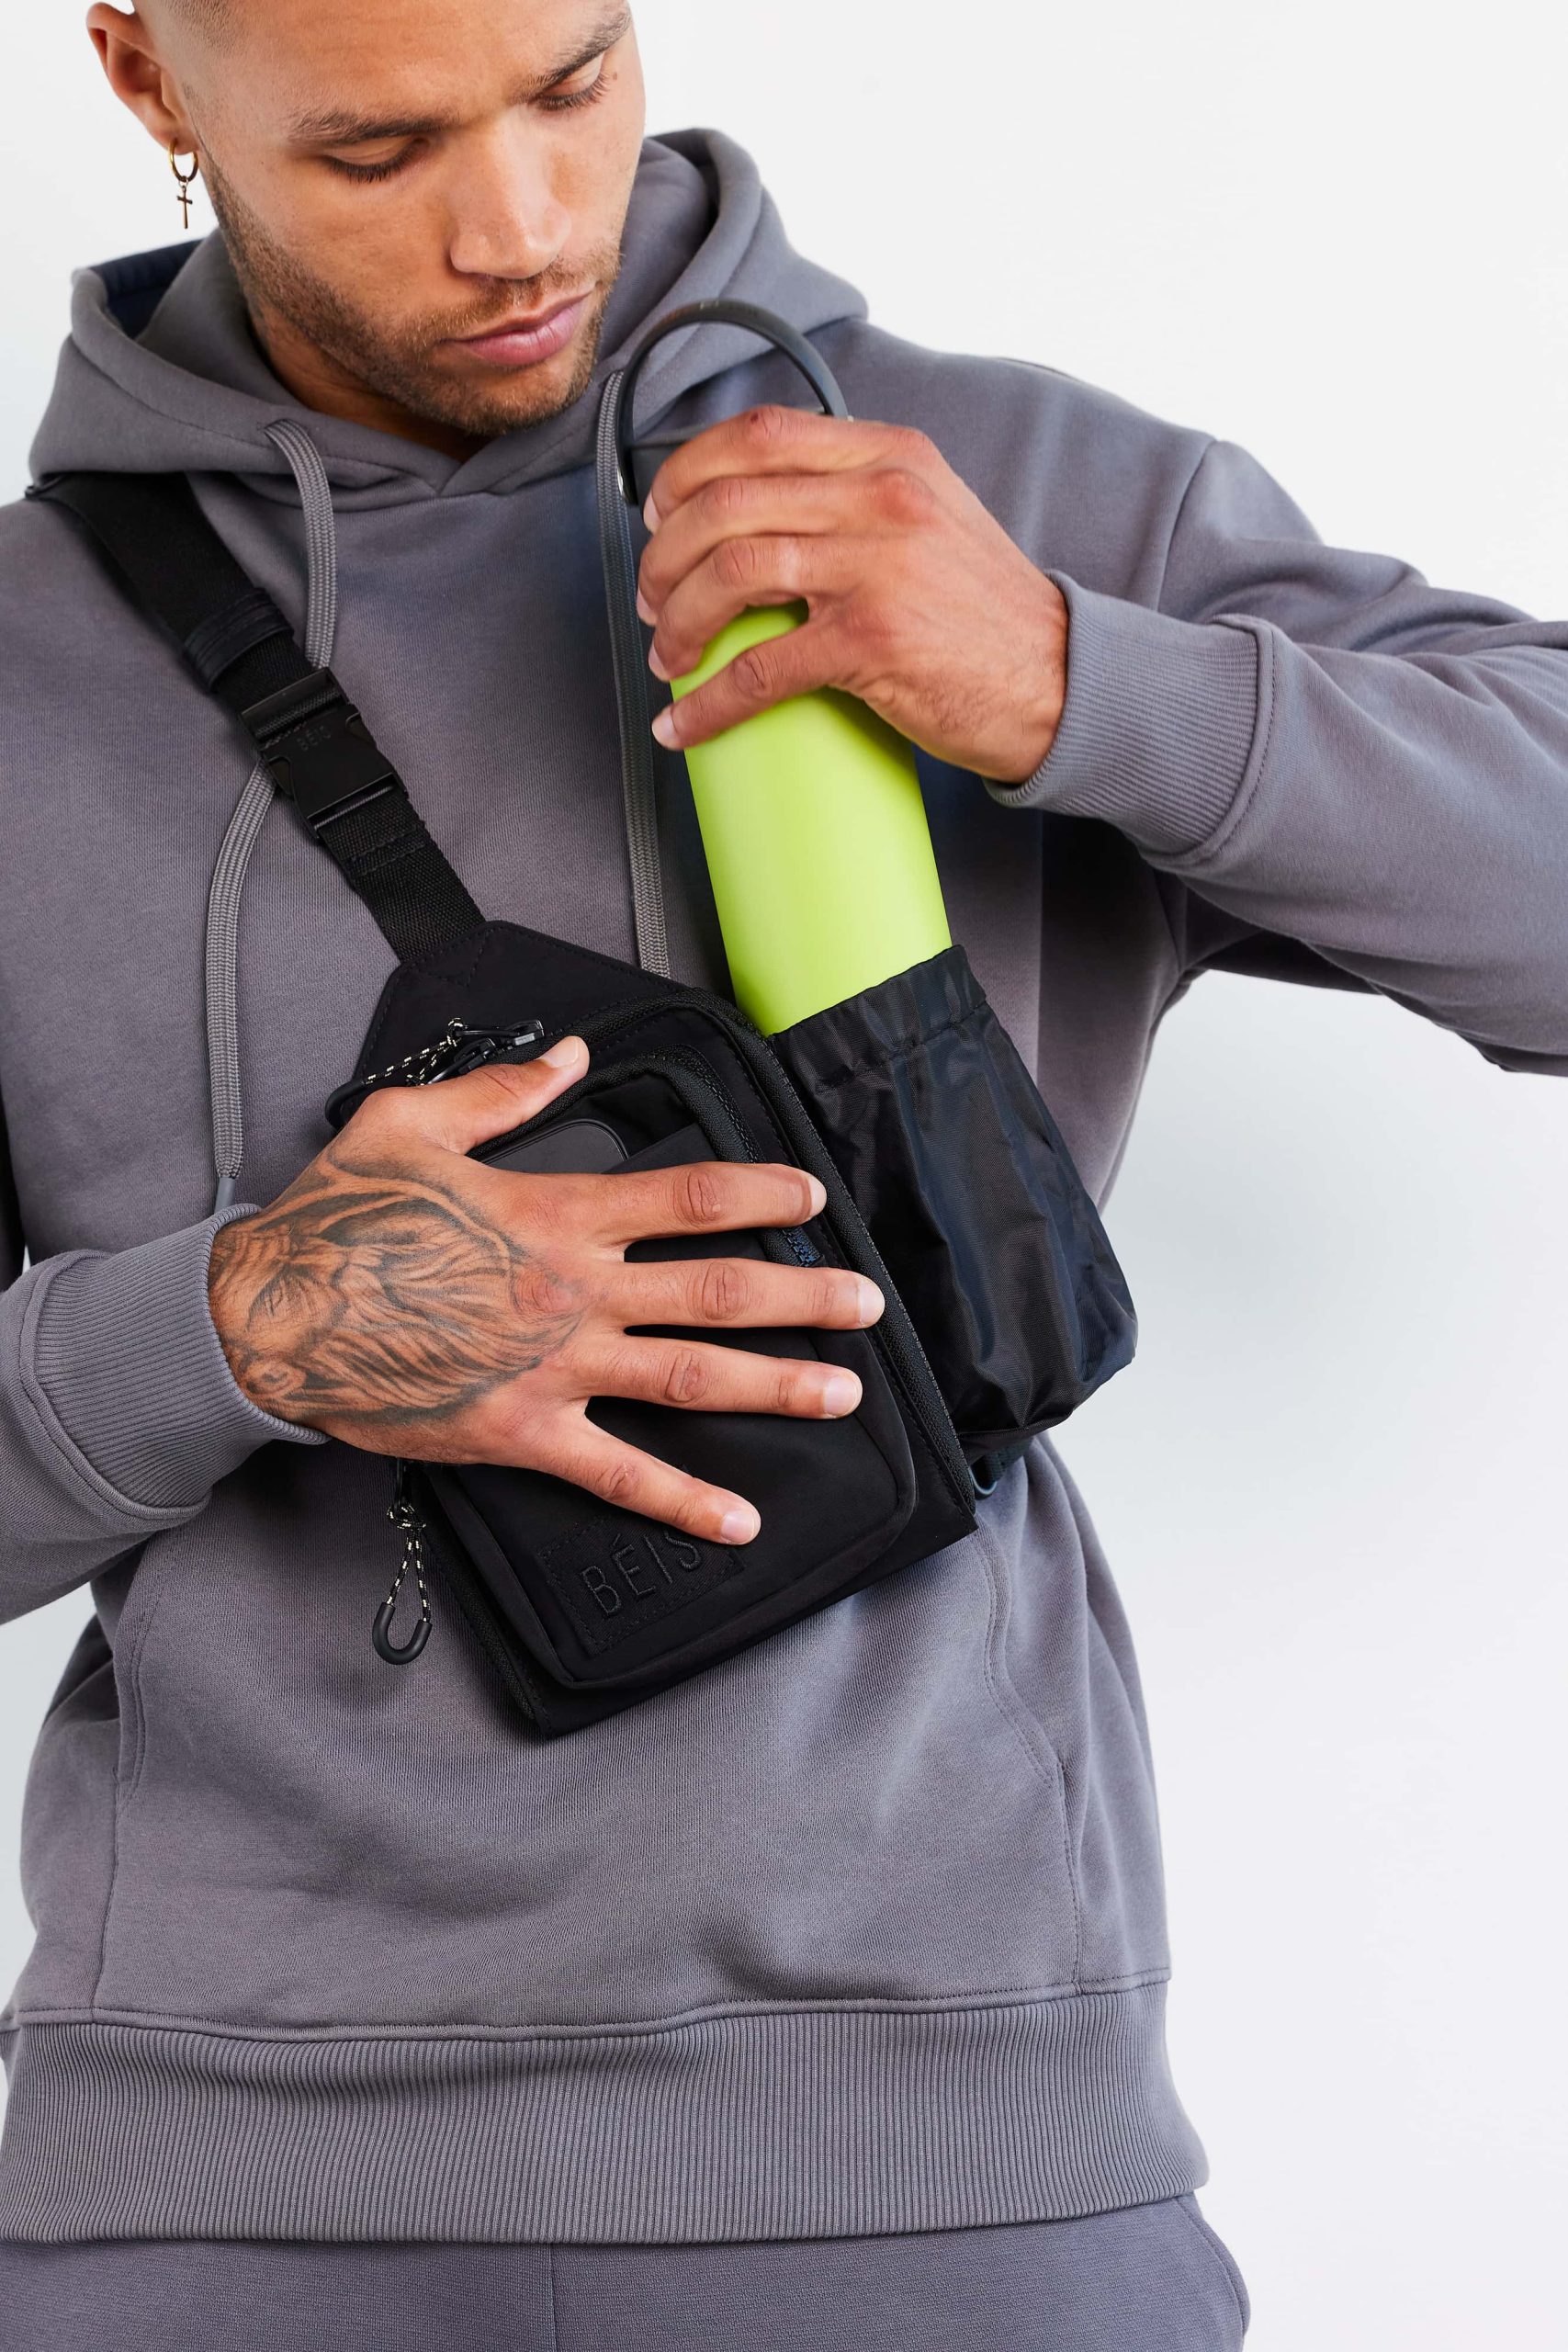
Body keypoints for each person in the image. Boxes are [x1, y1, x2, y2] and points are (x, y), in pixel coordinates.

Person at [0, 0, 1562, 2344]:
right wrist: (243, 1326)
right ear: (146, 78)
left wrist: (1077, 682)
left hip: (943, 2162)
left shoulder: (970, 490)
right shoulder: (22, 664)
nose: (524, 227)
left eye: (569, 83)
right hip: (205, 2201)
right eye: (379, 149)